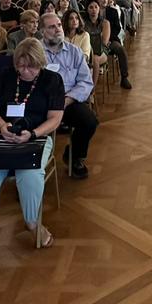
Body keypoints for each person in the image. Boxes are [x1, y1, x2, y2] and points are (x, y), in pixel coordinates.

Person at [0, 38, 62, 282]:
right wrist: (2, 127)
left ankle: (33, 223)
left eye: (31, 67)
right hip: (2, 137)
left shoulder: (52, 80)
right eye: (21, 66)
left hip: (36, 138)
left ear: (40, 64)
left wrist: (33, 133)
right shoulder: (4, 75)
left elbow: (55, 118)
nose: (25, 71)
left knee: (29, 175)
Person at [39, 12, 97, 179]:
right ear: (42, 31)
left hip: (68, 100)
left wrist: (67, 100)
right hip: (43, 102)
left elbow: (86, 82)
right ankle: (31, 166)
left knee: (89, 121)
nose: (57, 29)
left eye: (58, 25)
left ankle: (75, 156)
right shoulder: (35, 52)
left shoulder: (75, 52)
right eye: (51, 27)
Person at [94, 0, 133, 89]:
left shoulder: (112, 11)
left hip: (111, 40)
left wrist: (108, 39)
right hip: (94, 41)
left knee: (120, 49)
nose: (105, 0)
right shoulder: (93, 10)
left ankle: (124, 77)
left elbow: (117, 28)